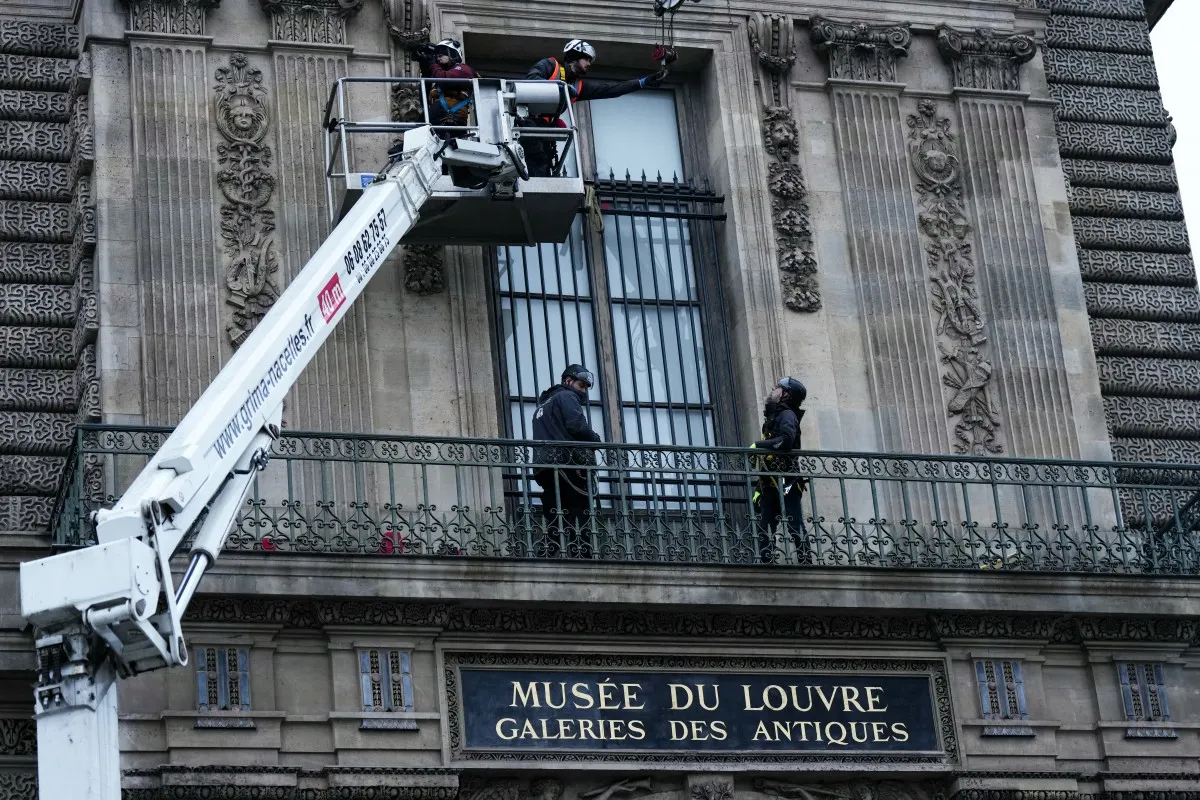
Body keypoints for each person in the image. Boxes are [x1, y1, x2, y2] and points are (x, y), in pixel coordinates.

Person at [520, 39, 668, 176]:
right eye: (586, 59)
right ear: (575, 56)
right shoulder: (551, 65)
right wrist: (560, 87)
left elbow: (609, 90)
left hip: (544, 131)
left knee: (545, 166)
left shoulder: (577, 86)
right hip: (528, 122)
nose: (589, 64)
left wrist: (643, 82)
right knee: (536, 161)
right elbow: (532, 79)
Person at [530, 364, 602, 557]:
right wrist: (595, 440)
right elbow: (576, 426)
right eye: (581, 385)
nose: (583, 391)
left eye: (586, 387)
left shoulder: (543, 405)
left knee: (555, 510)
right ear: (568, 381)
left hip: (544, 466)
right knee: (580, 509)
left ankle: (551, 551)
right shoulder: (567, 396)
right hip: (566, 462)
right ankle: (582, 553)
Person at [751, 376, 810, 565]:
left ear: (785, 394)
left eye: (778, 387)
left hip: (787, 482)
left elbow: (786, 441)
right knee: (765, 526)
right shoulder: (773, 417)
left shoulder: (787, 415)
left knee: (794, 523)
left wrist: (757, 446)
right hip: (769, 482)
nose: (773, 389)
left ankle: (806, 561)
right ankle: (767, 563)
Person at [409, 38, 479, 128]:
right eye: (437, 55)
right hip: (436, 122)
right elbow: (425, 102)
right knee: (410, 132)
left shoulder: (464, 69)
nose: (438, 57)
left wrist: (432, 65)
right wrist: (426, 74)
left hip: (451, 121)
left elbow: (444, 80)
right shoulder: (439, 80)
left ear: (453, 54)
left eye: (441, 54)